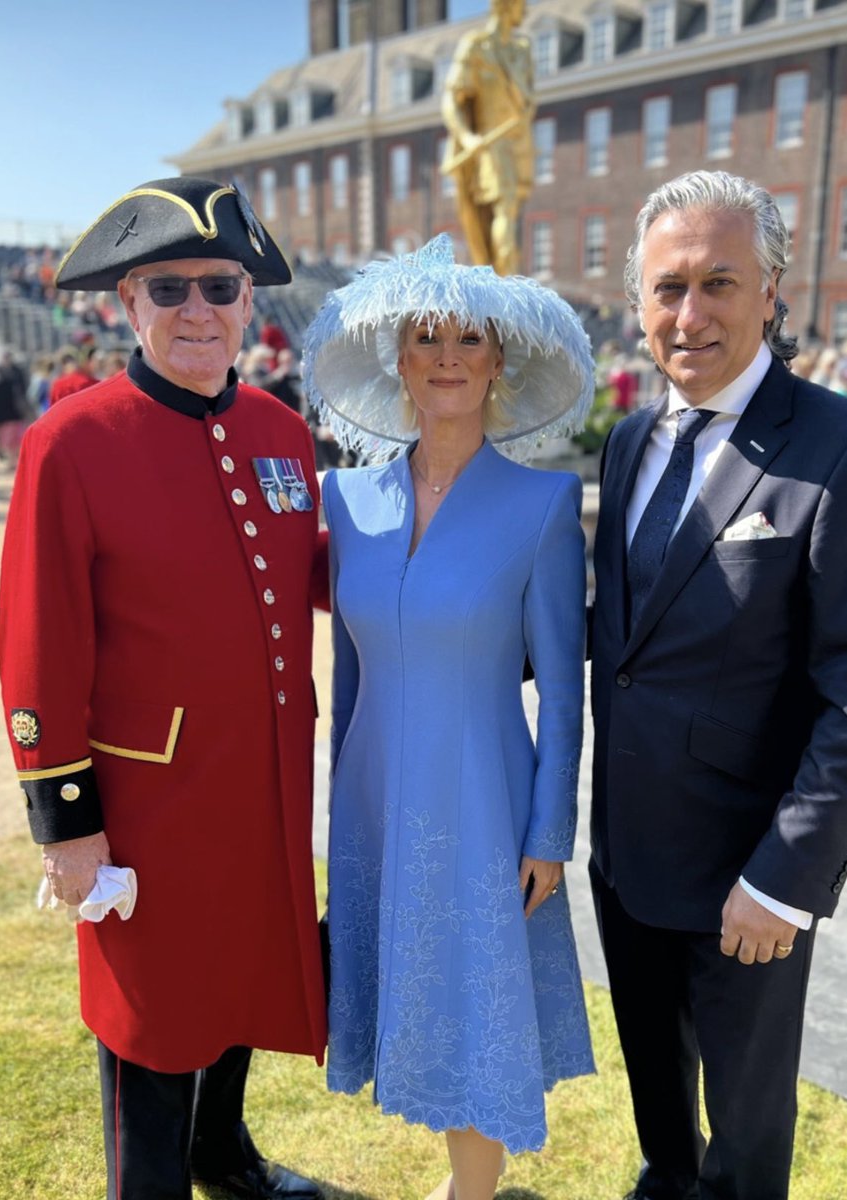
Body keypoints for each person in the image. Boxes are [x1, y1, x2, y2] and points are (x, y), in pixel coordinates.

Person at [0, 176, 329, 1200]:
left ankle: (219, 1154)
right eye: (170, 287)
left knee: (244, 973)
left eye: (219, 287)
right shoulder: (74, 439)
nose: (198, 310)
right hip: (149, 802)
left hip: (265, 780)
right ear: (127, 305)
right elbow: (38, 642)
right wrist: (68, 824)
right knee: (150, 1015)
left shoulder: (281, 431)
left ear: (248, 304)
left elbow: (320, 575)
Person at [303, 234, 596, 1200]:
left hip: (483, 798)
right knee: (409, 987)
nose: (447, 354)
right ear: (398, 357)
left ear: (499, 359)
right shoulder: (344, 501)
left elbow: (561, 688)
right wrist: (341, 799)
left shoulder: (546, 506)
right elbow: (346, 677)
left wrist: (549, 832)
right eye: (426, 335)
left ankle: (471, 1193)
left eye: (470, 337)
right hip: (376, 792)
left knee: (474, 993)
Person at [588, 169, 847, 1200]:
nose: (687, 316)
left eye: (718, 284)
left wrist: (785, 876)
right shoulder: (625, 442)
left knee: (743, 1146)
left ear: (773, 291)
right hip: (625, 859)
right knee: (663, 1127)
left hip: (747, 878)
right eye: (665, 288)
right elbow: (627, 637)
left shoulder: (831, 446)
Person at [441, 0, 534, 275]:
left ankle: (506, 279)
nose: (525, 12)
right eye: (520, 5)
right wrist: (467, 137)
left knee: (510, 213)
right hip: (490, 147)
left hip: (519, 145)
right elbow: (452, 101)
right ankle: (504, 282)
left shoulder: (521, 52)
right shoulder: (476, 46)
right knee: (498, 213)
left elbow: (527, 102)